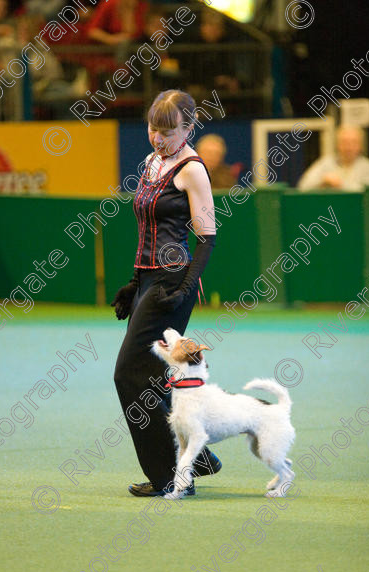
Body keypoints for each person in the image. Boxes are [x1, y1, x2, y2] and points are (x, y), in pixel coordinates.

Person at [112, 89, 221, 497]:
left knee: (127, 374)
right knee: (154, 380)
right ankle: (198, 458)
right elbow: (147, 229)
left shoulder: (192, 169)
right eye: (152, 129)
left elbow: (207, 238)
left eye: (168, 131)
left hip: (172, 283)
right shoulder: (152, 163)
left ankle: (170, 478)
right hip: (148, 279)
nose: (158, 139)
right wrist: (132, 281)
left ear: (189, 128)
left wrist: (185, 288)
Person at [297, 126, 369, 192]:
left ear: (360, 146)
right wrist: (322, 181)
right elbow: (303, 186)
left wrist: (341, 185)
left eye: (353, 142)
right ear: (337, 144)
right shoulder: (326, 163)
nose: (348, 147)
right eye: (344, 142)